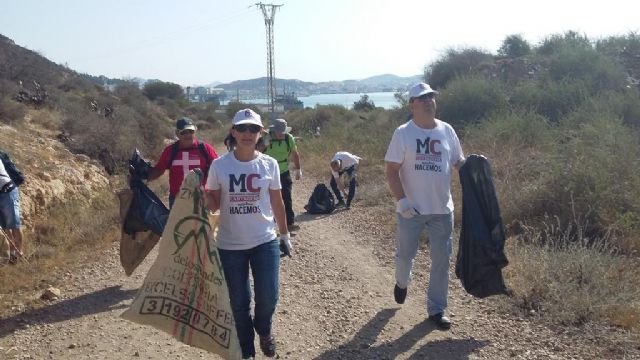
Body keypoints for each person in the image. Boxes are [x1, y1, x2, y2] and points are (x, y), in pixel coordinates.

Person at [206, 108, 291, 360]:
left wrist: (285, 235)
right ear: (233, 132)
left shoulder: (269, 164)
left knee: (268, 298)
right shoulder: (219, 165)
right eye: (241, 128)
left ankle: (263, 330)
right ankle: (247, 351)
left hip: (265, 241)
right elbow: (214, 205)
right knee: (239, 303)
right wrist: (200, 194)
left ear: (260, 133)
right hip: (229, 246)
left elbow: (278, 202)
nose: (247, 133)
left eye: (252, 129)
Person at [384, 82, 465, 330]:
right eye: (422, 98)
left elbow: (458, 162)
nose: (429, 101)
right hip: (411, 211)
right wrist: (402, 201)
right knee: (405, 257)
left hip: (442, 210)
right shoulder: (403, 133)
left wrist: (476, 173)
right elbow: (391, 170)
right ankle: (401, 282)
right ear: (412, 104)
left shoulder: (447, 130)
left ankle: (437, 309)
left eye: (431, 97)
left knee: (441, 260)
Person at [147, 117, 218, 208]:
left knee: (202, 223)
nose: (188, 135)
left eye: (191, 131)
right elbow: (159, 169)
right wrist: (143, 178)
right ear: (177, 134)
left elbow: (218, 168)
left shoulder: (205, 149)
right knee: (178, 223)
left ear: (195, 131)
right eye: (184, 132)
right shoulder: (170, 151)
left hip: (201, 198)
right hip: (177, 199)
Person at [261, 118, 302, 231]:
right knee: (268, 199)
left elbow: (295, 153)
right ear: (274, 130)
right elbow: (257, 153)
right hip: (267, 173)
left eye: (282, 131)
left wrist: (298, 169)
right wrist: (265, 143)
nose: (281, 133)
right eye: (278, 131)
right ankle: (270, 225)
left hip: (284, 171)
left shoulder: (289, 138)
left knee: (287, 197)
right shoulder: (266, 137)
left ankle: (289, 223)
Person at [0, 157, 24, 264]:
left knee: (14, 224)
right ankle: (12, 254)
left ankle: (19, 254)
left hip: (8, 191)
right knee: (5, 226)